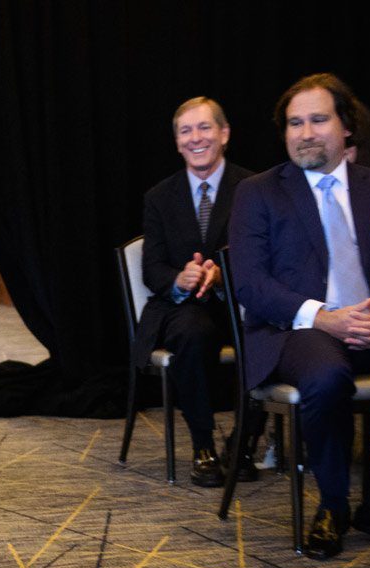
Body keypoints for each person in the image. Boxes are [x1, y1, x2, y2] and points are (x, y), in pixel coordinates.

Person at [229, 73, 370, 559]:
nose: (305, 133)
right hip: (296, 328)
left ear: (347, 127)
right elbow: (251, 284)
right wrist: (323, 317)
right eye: (295, 123)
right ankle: (333, 504)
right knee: (328, 377)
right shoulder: (259, 192)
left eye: (317, 119)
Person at [137, 97, 258, 486]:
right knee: (192, 331)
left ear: (224, 134)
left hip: (240, 301)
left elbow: (266, 256)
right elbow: (151, 267)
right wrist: (179, 279)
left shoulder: (254, 188)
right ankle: (203, 446)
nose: (195, 138)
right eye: (185, 131)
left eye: (204, 127)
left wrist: (223, 275)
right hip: (186, 309)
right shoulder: (159, 197)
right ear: (176, 142)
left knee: (268, 333)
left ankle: (243, 444)